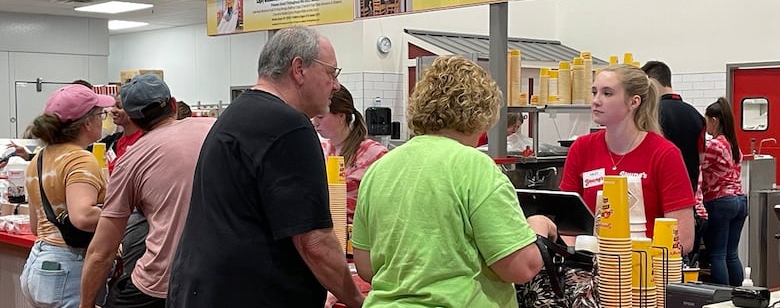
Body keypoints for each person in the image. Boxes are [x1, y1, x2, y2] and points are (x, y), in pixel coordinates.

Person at [167, 26, 364, 308]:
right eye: (331, 73)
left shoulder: (237, 113)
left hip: (201, 288)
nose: (335, 86)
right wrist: (358, 300)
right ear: (299, 69)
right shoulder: (289, 126)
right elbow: (315, 242)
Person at [351, 56, 556, 307]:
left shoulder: (379, 169)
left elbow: (366, 267)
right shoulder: (475, 167)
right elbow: (520, 267)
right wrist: (539, 227)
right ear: (482, 114)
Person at [79, 74, 215, 308]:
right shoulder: (215, 128)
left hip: (163, 282)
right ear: (173, 104)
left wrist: (86, 304)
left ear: (131, 118)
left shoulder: (131, 159)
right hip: (223, 278)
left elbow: (102, 251)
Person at [560, 64, 696, 252]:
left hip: (645, 271)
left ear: (634, 102)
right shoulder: (581, 148)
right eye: (594, 92)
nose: (596, 101)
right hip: (590, 269)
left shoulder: (664, 154)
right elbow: (567, 225)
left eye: (607, 93)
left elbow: (683, 238)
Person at [20, 84, 115, 308]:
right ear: (87, 122)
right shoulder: (80, 159)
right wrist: (123, 212)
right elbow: (82, 217)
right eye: (100, 114)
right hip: (68, 269)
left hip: (38, 263)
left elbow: (36, 226)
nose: (103, 120)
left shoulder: (39, 159)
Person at [312, 84, 388, 224]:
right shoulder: (319, 151)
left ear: (341, 116)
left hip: (357, 236)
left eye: (321, 117)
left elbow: (386, 205)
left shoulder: (375, 154)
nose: (314, 123)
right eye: (313, 117)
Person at [701, 97, 747, 286]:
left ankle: (723, 299)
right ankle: (740, 294)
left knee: (717, 254)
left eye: (706, 122)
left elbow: (697, 165)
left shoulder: (714, 145)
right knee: (731, 254)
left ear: (714, 120)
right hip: (740, 201)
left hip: (720, 201)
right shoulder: (734, 145)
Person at [641, 61, 706, 192]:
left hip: (660, 189)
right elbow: (702, 158)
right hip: (688, 190)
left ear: (651, 82)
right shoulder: (696, 115)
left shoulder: (650, 114)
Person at [99, 93, 143, 175]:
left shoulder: (142, 141)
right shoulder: (117, 140)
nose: (113, 110)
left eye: (119, 107)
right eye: (113, 106)